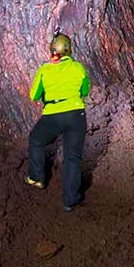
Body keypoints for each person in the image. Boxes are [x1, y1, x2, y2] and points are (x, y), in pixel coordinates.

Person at [25, 32, 90, 211]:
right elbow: (85, 91)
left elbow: (33, 95)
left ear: (52, 50)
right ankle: (70, 201)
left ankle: (37, 178)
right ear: (69, 50)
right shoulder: (78, 67)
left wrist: (49, 93)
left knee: (36, 141)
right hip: (76, 115)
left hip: (53, 115)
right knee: (73, 158)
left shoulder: (45, 69)